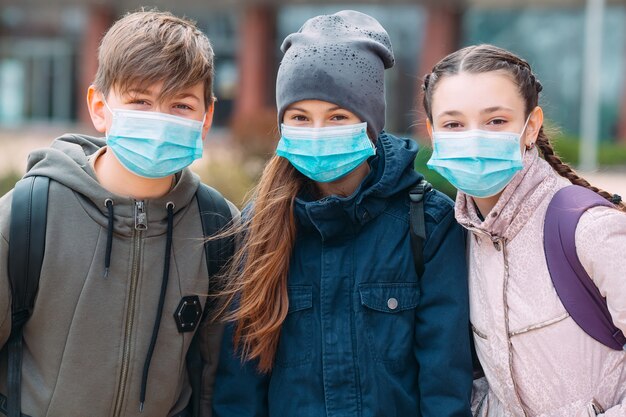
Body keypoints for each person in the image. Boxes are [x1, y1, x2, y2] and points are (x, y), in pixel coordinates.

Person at [212, 10, 472, 417]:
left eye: (337, 117)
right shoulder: (257, 228)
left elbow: (444, 383)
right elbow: (238, 387)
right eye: (300, 117)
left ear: (369, 123)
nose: (317, 132)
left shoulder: (428, 224)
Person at [0, 10, 238, 417]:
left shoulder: (219, 228)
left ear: (206, 118)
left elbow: (219, 380)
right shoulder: (26, 216)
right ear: (99, 106)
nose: (159, 121)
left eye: (181, 105)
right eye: (140, 101)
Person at [422, 44, 626, 417]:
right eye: (453, 124)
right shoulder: (455, 236)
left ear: (530, 126)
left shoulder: (589, 229)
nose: (473, 137)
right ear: (432, 135)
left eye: (496, 121)